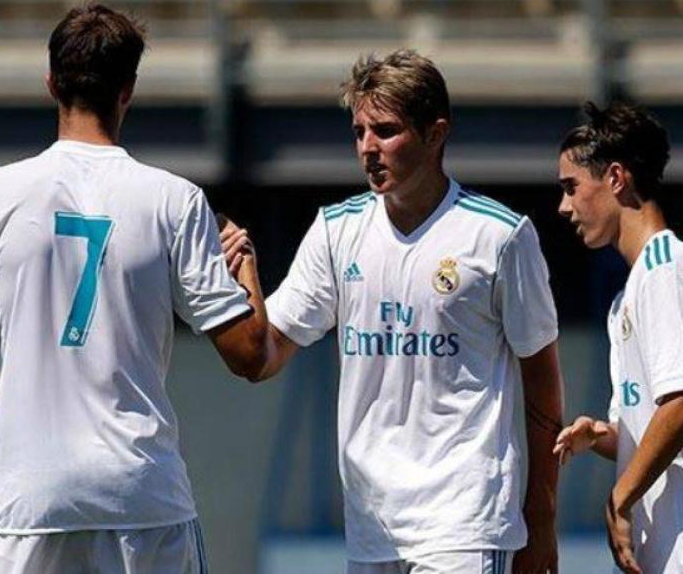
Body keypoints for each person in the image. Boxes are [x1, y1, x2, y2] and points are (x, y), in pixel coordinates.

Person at [0, 5, 267, 573]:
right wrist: (248, 273)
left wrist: (34, 391)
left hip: (32, 500)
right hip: (141, 496)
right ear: (128, 91)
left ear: (51, 85)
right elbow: (250, 355)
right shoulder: (175, 200)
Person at [221, 50, 564, 574]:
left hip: (465, 523)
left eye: (385, 131)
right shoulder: (336, 232)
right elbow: (263, 355)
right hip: (372, 527)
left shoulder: (498, 236)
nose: (367, 148)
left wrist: (539, 517)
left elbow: (542, 382)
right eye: (359, 132)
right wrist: (244, 272)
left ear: (435, 133)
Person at [552, 103, 683, 573]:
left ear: (617, 178)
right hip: (663, 554)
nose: (563, 207)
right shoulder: (634, 289)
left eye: (571, 188)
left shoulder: (668, 270)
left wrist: (620, 497)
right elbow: (654, 426)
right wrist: (602, 436)